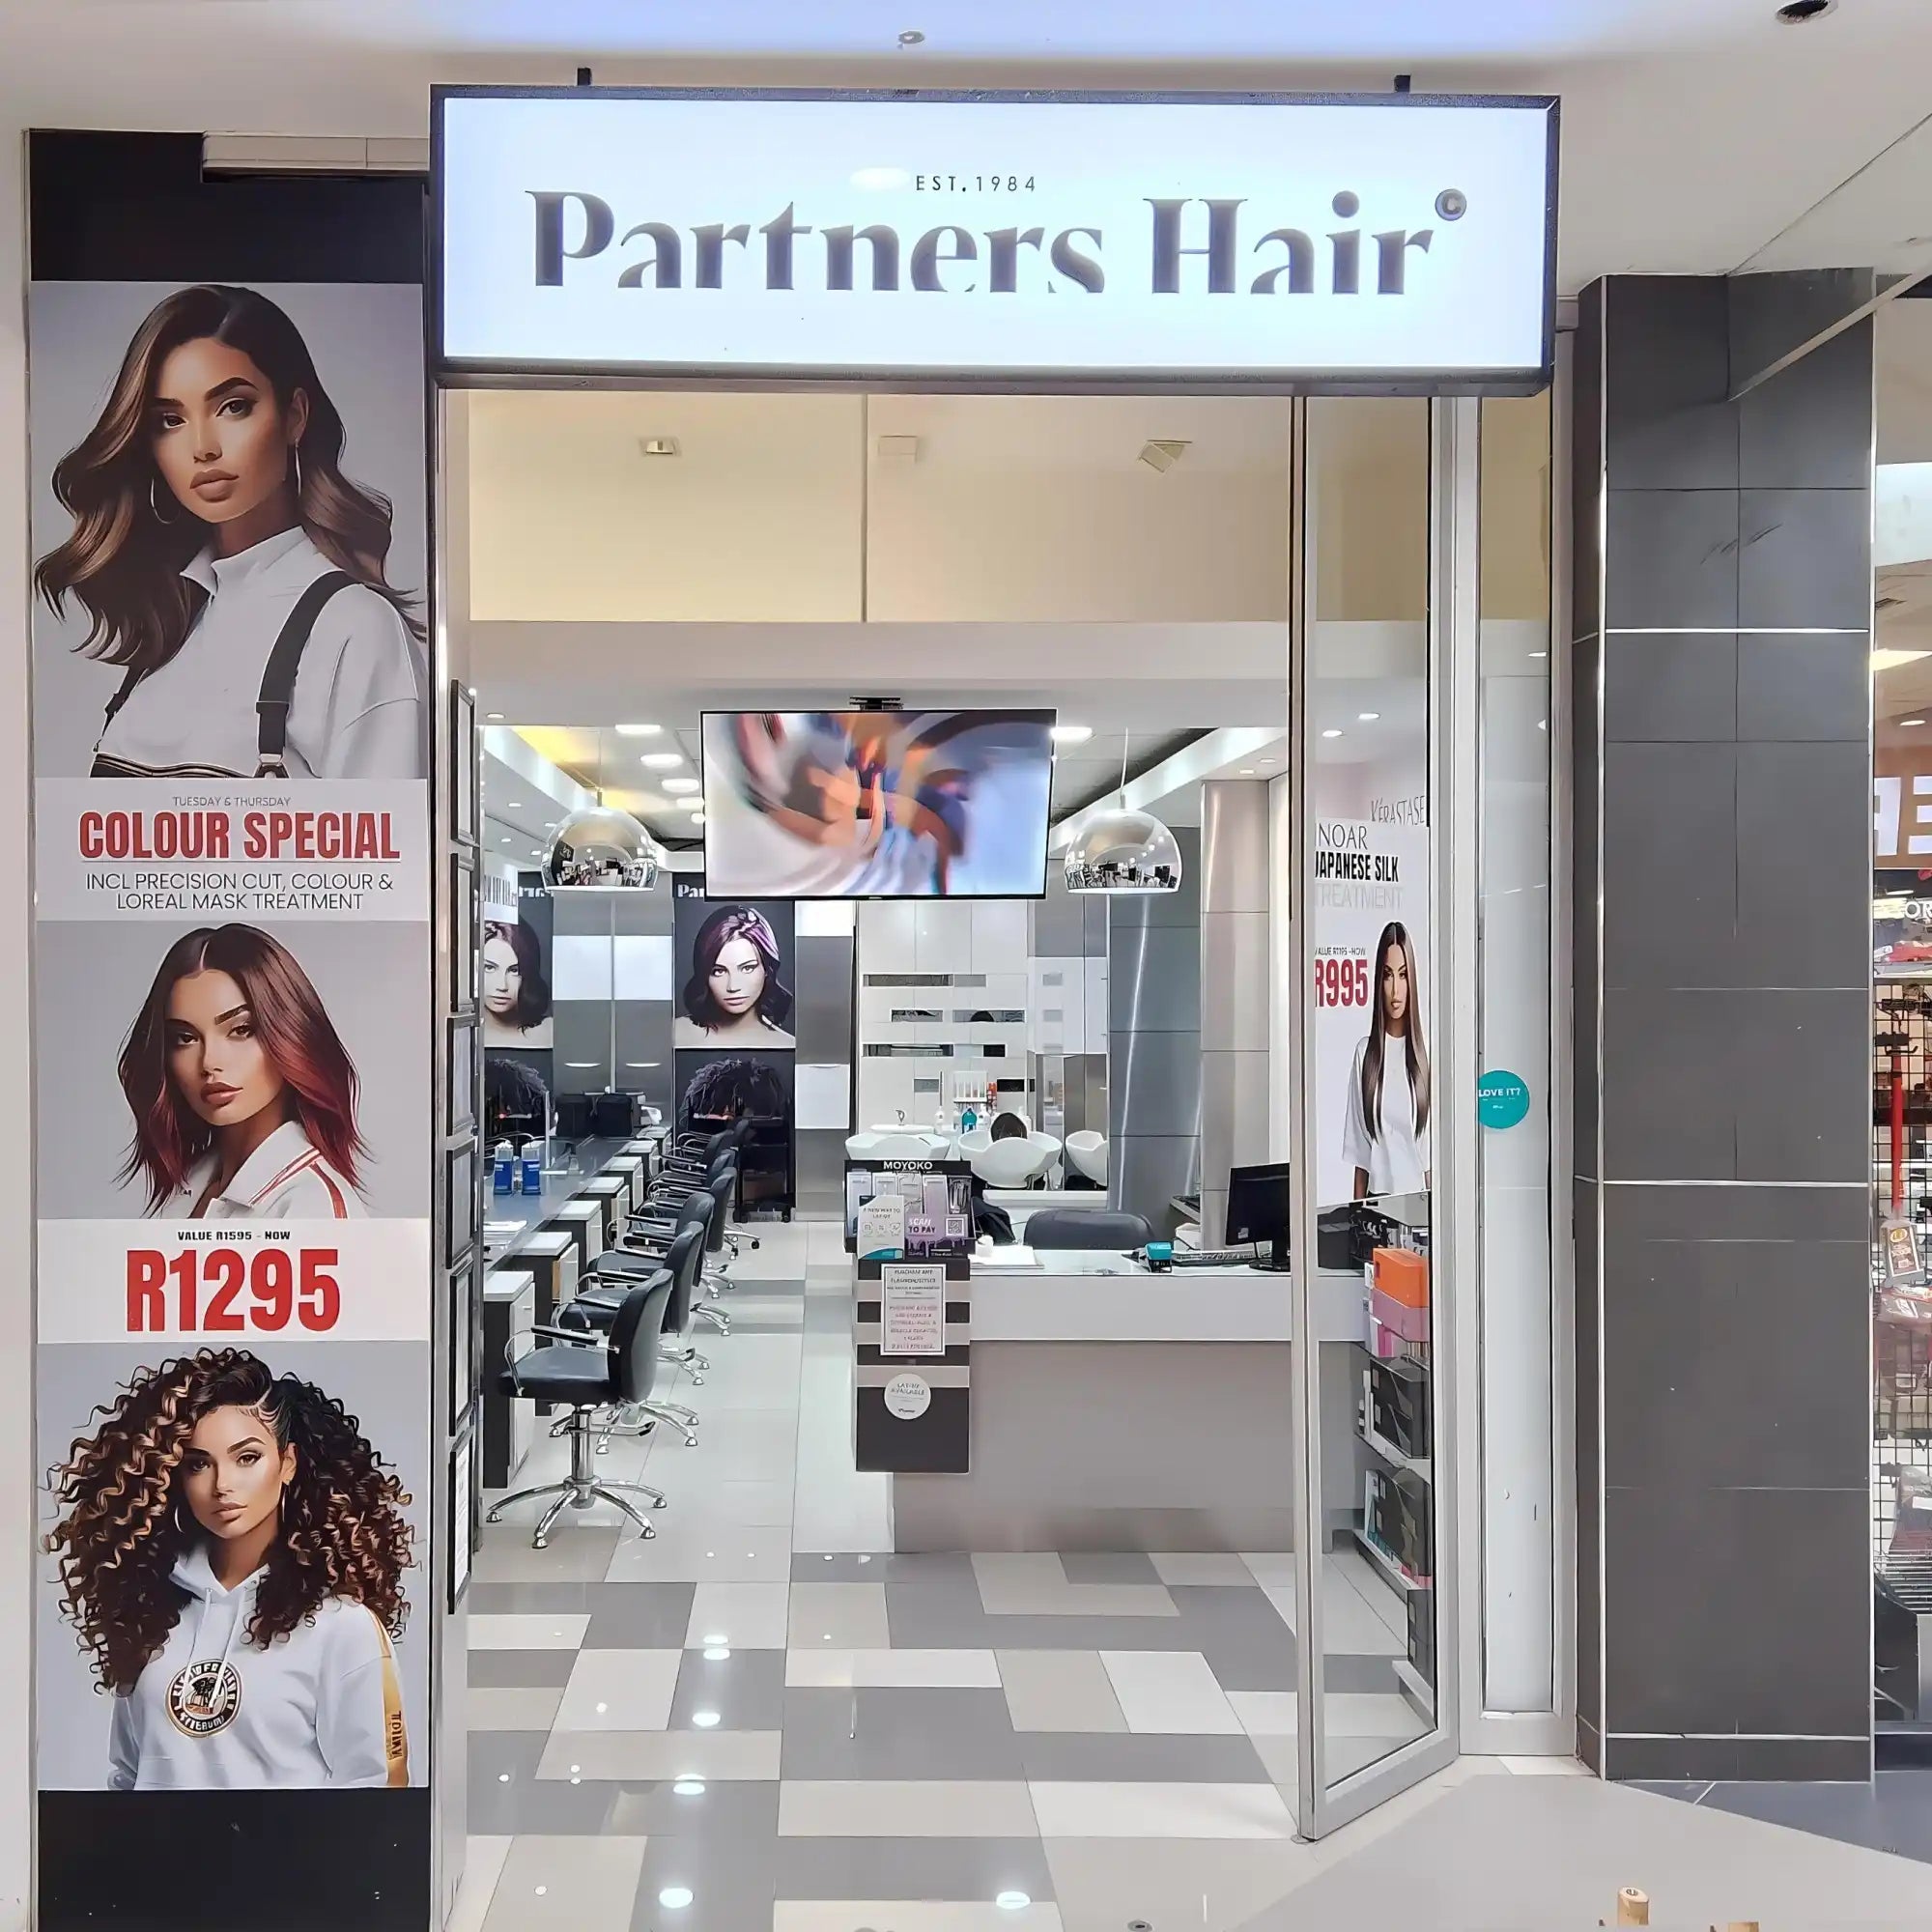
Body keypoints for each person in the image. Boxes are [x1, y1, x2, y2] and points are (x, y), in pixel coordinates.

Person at [35, 284, 424, 779]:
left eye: (233, 406)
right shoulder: (176, 620)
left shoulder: (356, 628)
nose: (203, 447)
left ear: (294, 416)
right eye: (171, 420)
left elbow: (387, 830)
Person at [44, 1349, 412, 1790]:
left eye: (247, 1458)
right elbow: (128, 1777)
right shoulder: (149, 1611)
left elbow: (376, 1789)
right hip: (156, 1841)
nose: (222, 1485)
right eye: (199, 1464)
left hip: (290, 1842)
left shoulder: (342, 1627)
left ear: (287, 1464)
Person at [119, 923, 365, 1219]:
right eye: (185, 1038)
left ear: (289, 1036)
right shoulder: (190, 1184)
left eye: (241, 1030)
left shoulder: (312, 1204)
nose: (208, 1062)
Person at [1343, 921, 1432, 1200]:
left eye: (1403, 975)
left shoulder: (1425, 1055)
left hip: (1418, 1203)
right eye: (1387, 975)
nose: (1395, 991)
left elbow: (1429, 1156)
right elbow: (1361, 1154)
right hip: (1376, 1202)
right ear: (1378, 981)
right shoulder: (1365, 1054)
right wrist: (1356, 1215)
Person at [675, 905, 795, 1047]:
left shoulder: (787, 1044)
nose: (733, 987)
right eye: (718, 971)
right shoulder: (675, 1034)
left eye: (747, 968)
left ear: (767, 969)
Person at [481, 918, 553, 1046]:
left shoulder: (550, 1031)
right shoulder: (461, 1035)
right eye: (489, 968)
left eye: (514, 970)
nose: (502, 986)